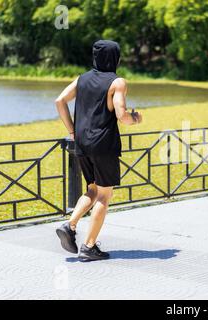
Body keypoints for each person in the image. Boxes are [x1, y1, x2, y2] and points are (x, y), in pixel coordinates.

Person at [54, 40, 142, 261]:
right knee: (104, 195)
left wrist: (72, 131)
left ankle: (70, 225)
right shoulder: (117, 82)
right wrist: (135, 119)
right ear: (116, 59)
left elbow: (59, 100)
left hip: (82, 143)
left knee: (93, 189)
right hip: (104, 145)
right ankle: (89, 247)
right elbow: (121, 115)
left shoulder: (81, 79)